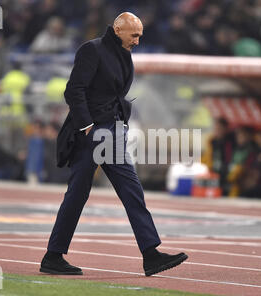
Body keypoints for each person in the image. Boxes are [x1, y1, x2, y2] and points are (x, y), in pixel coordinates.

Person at [40, 12, 188, 277]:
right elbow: (74, 90)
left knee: (131, 190)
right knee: (78, 194)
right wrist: (87, 127)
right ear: (118, 30)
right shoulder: (92, 50)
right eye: (134, 35)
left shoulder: (124, 55)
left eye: (140, 36)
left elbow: (114, 95)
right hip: (92, 133)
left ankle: (151, 254)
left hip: (112, 132)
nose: (138, 41)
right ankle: (53, 255)